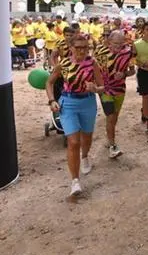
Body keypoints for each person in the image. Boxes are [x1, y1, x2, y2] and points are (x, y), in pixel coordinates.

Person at [45, 33, 105, 198]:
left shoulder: (92, 63)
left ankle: (85, 157)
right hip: (68, 103)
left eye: (85, 47)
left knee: (87, 137)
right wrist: (51, 100)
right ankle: (75, 181)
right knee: (73, 142)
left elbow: (102, 87)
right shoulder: (63, 64)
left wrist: (95, 89)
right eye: (78, 47)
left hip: (87, 103)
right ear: (70, 48)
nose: (82, 51)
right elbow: (49, 82)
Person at [94, 30, 134, 159]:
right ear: (108, 42)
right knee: (111, 116)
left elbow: (132, 71)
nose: (118, 47)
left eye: (121, 44)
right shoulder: (99, 51)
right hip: (104, 89)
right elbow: (93, 69)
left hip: (120, 89)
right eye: (115, 43)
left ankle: (109, 137)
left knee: (114, 118)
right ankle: (113, 145)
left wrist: (124, 74)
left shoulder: (128, 53)